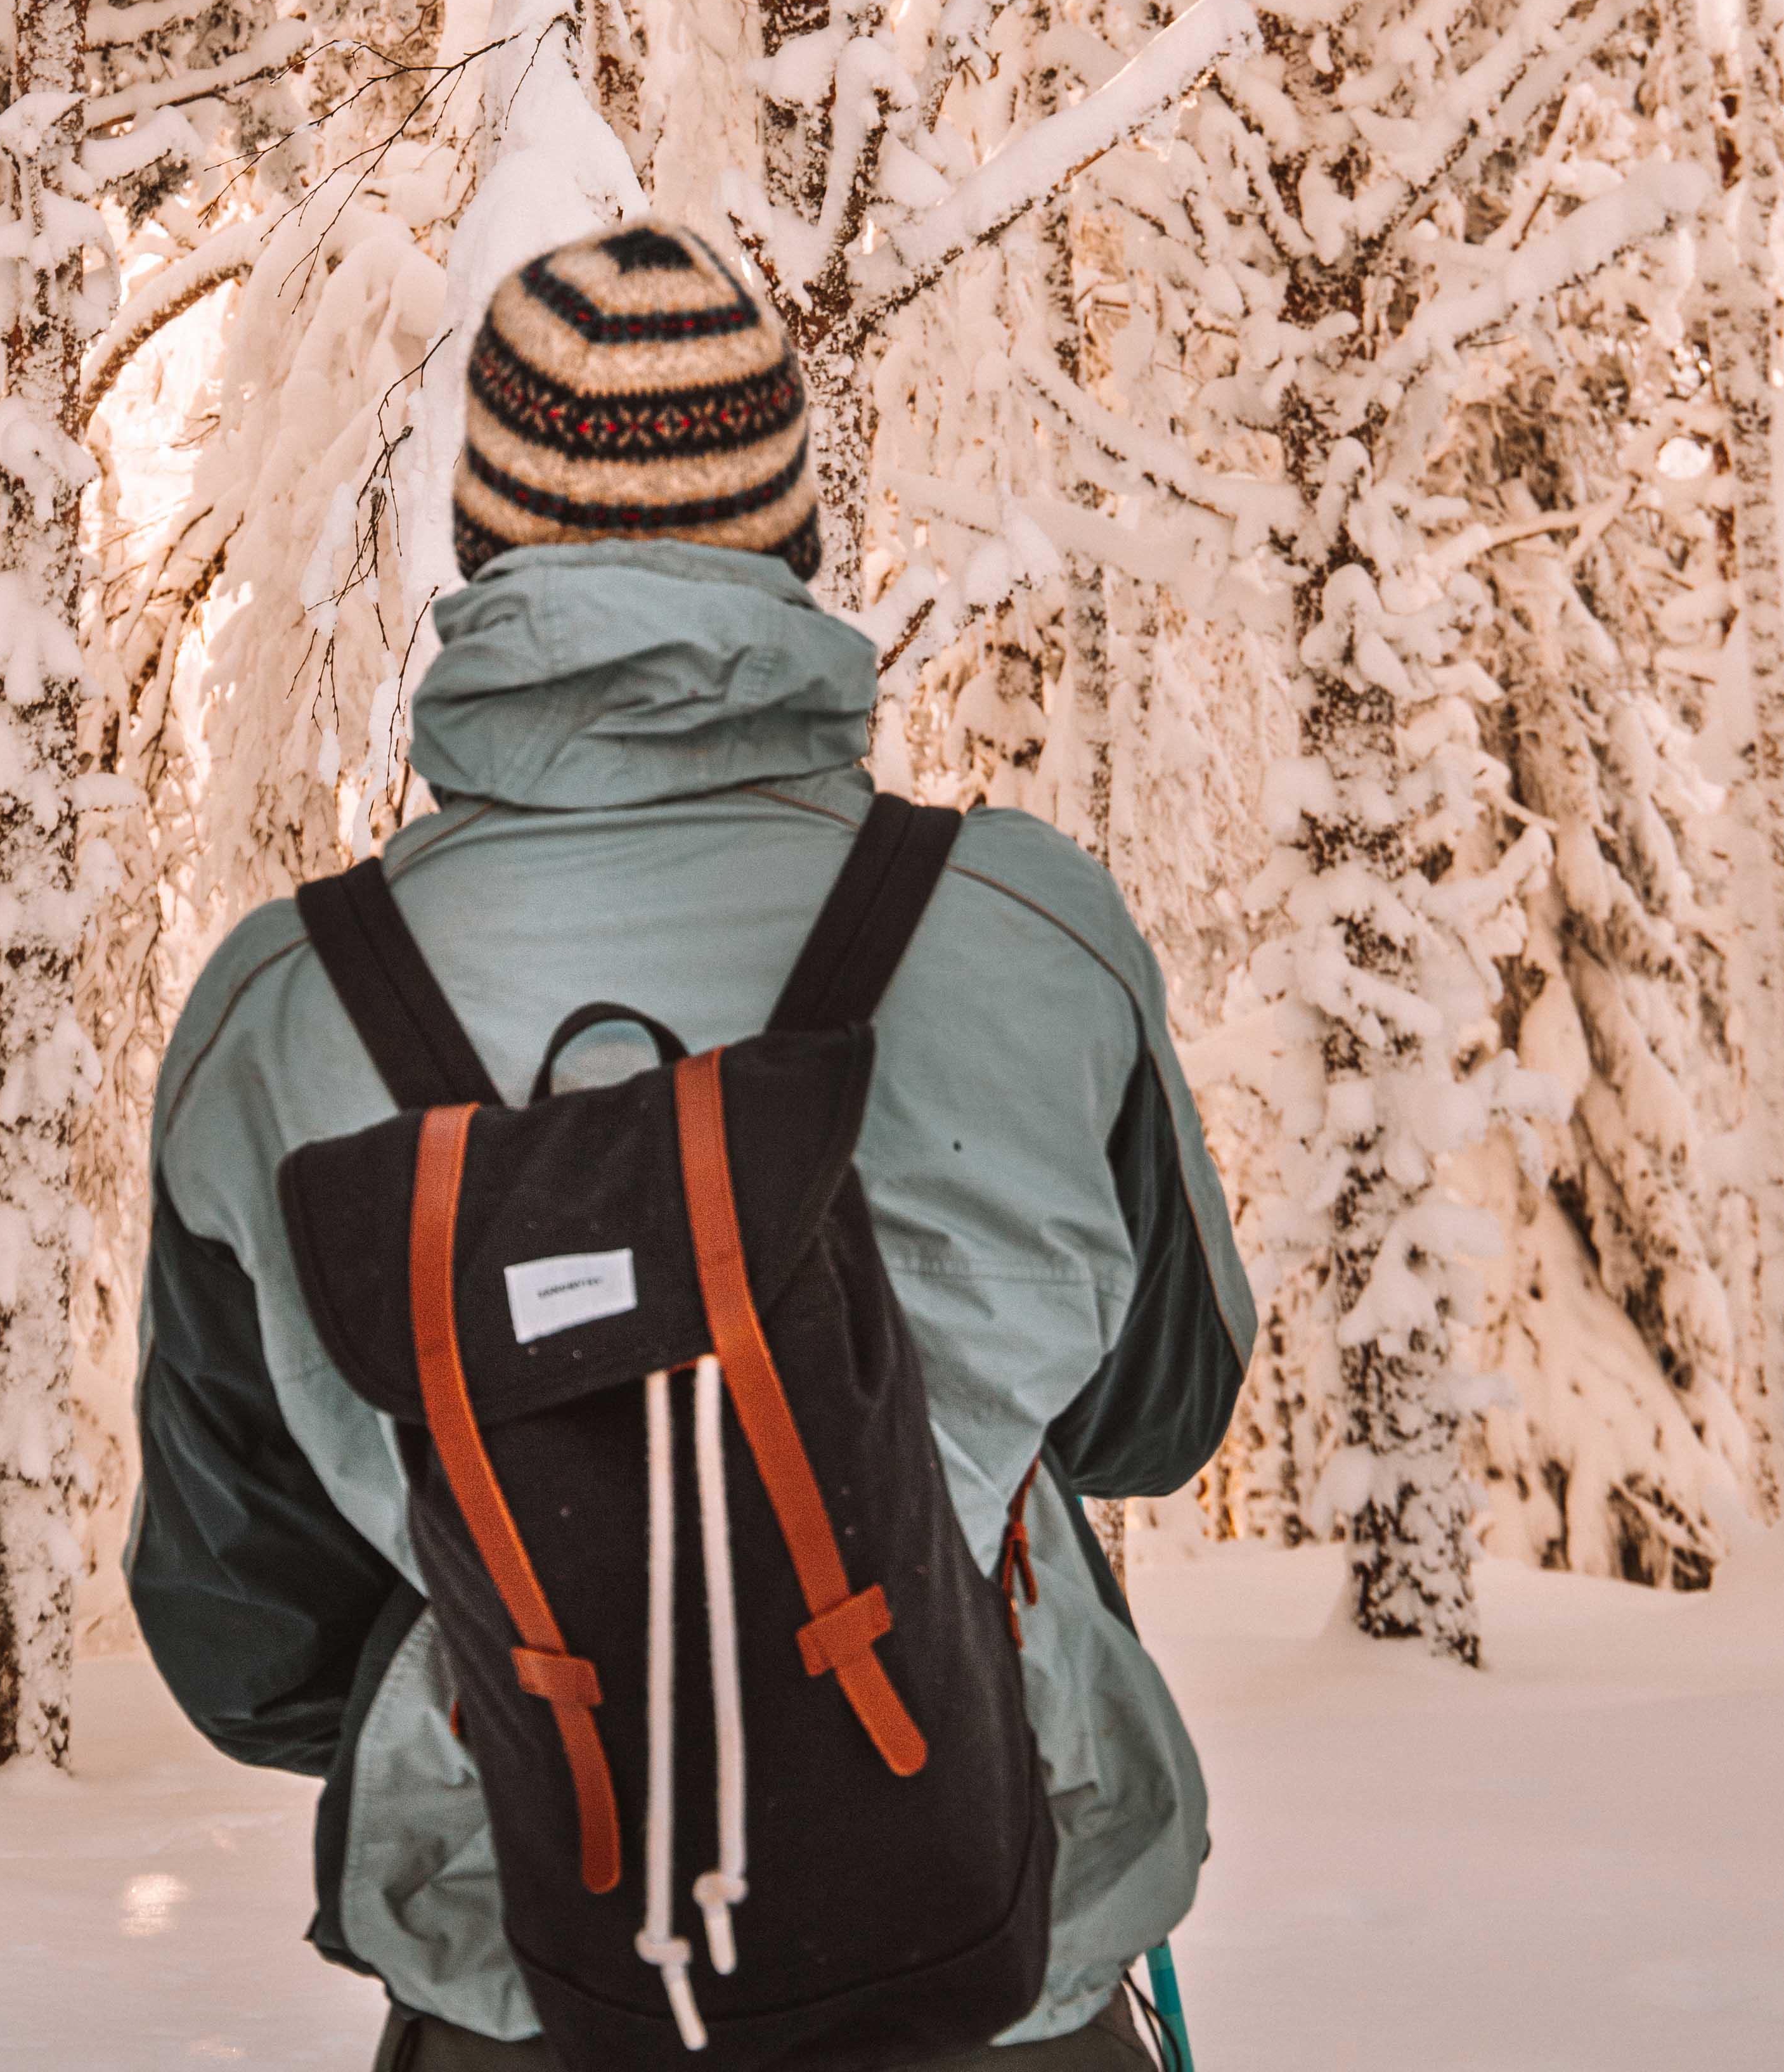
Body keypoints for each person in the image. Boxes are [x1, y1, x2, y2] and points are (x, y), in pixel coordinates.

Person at [129, 222, 1254, 2072]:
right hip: (1001, 1949)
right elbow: (1158, 1415)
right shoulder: (1025, 927)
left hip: (531, 1979)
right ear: (796, 547)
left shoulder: (282, 1012)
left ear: (480, 555)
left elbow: (244, 1638)